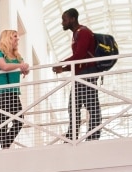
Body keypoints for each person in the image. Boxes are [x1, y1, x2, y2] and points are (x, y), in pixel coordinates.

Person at [51, 8, 102, 141]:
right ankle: (73, 134)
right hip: (81, 74)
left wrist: (61, 63)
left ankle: (93, 135)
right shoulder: (76, 34)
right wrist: (64, 68)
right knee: (73, 105)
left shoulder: (83, 32)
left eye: (64, 19)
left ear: (72, 19)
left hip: (87, 74)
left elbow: (79, 56)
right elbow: (79, 60)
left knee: (91, 105)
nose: (62, 23)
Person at [0, 29, 30, 149]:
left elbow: (24, 69)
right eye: (15, 36)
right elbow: (4, 66)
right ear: (8, 38)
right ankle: (4, 147)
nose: (18, 39)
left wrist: (25, 68)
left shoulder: (18, 57)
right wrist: (20, 66)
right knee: (4, 119)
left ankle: (5, 144)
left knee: (19, 119)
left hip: (12, 93)